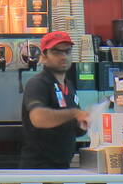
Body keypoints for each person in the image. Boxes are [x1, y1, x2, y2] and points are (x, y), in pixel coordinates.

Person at [19, 31, 90, 169]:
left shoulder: (69, 85)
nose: (63, 56)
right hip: (38, 169)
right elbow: (38, 118)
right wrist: (75, 113)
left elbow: (75, 129)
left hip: (62, 166)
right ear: (44, 56)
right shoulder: (38, 83)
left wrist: (83, 123)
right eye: (56, 52)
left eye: (67, 51)